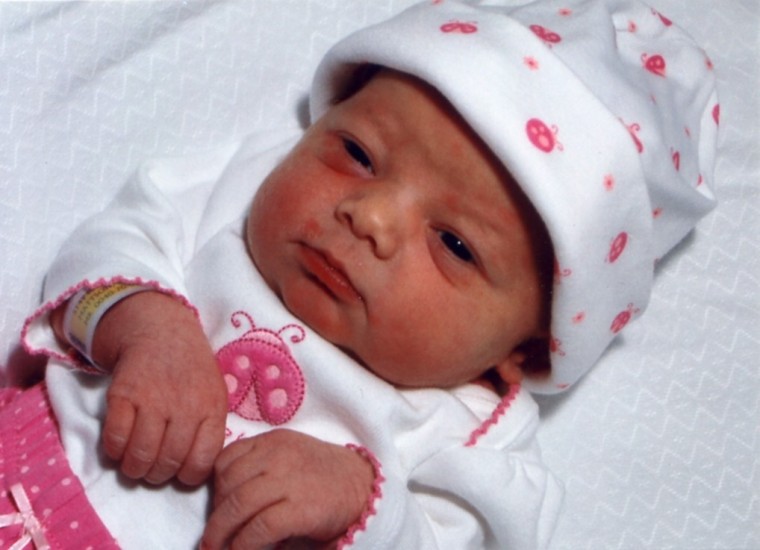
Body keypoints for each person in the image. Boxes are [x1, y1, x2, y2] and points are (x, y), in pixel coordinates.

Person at [6, 0, 717, 548]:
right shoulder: (233, 198)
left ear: (527, 350)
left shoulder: (473, 439)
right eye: (357, 153)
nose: (370, 216)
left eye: (455, 243)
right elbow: (112, 243)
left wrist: (360, 501)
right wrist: (143, 325)